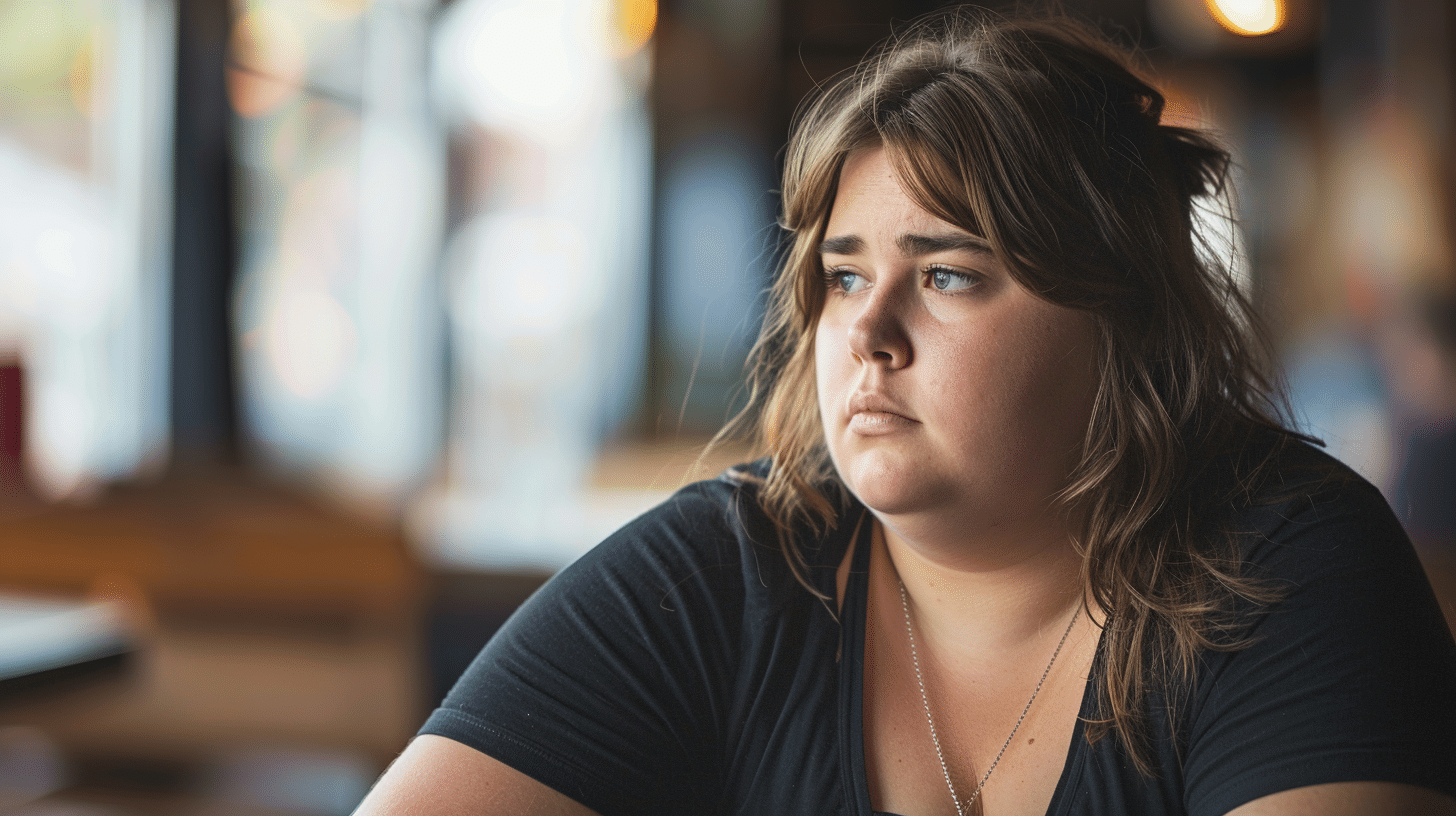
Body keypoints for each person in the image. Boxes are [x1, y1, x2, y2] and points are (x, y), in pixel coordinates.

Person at [355, 9, 1456, 815]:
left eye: (947, 276)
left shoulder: (1285, 563)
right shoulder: (736, 569)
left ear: (1114, 316)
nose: (865, 332)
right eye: (842, 276)